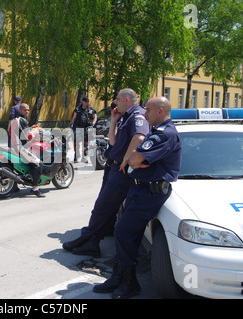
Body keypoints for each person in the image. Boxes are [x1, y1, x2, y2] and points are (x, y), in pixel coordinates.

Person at [93, 96, 182, 299]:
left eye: (148, 110)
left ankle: (130, 282)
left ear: (160, 111)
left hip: (150, 192)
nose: (144, 113)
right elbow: (134, 158)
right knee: (124, 233)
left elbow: (135, 158)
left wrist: (136, 160)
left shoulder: (165, 134)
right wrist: (136, 161)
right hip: (140, 188)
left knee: (124, 232)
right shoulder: (157, 132)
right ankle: (119, 276)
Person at [63, 89, 149, 257]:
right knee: (103, 208)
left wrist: (126, 159)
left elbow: (139, 137)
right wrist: (114, 121)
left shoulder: (138, 115)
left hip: (122, 171)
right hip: (115, 167)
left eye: (117, 99)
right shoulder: (126, 116)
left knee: (102, 208)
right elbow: (113, 141)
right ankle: (89, 241)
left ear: (126, 99)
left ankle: (88, 241)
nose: (115, 103)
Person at [10, 103, 45, 198]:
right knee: (38, 163)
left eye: (28, 110)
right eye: (25, 110)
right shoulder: (22, 120)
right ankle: (35, 188)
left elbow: (9, 131)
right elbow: (28, 136)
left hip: (12, 147)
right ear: (20, 110)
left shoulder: (14, 120)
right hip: (20, 148)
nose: (27, 112)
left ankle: (14, 186)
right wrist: (35, 131)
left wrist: (30, 128)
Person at [70, 97, 97, 163]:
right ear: (83, 102)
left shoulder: (90, 109)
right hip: (78, 127)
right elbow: (74, 117)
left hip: (87, 128)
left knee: (89, 142)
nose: (87, 103)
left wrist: (92, 124)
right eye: (86, 101)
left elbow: (95, 117)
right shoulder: (77, 109)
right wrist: (71, 125)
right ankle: (76, 157)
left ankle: (89, 157)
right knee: (77, 143)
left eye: (88, 101)